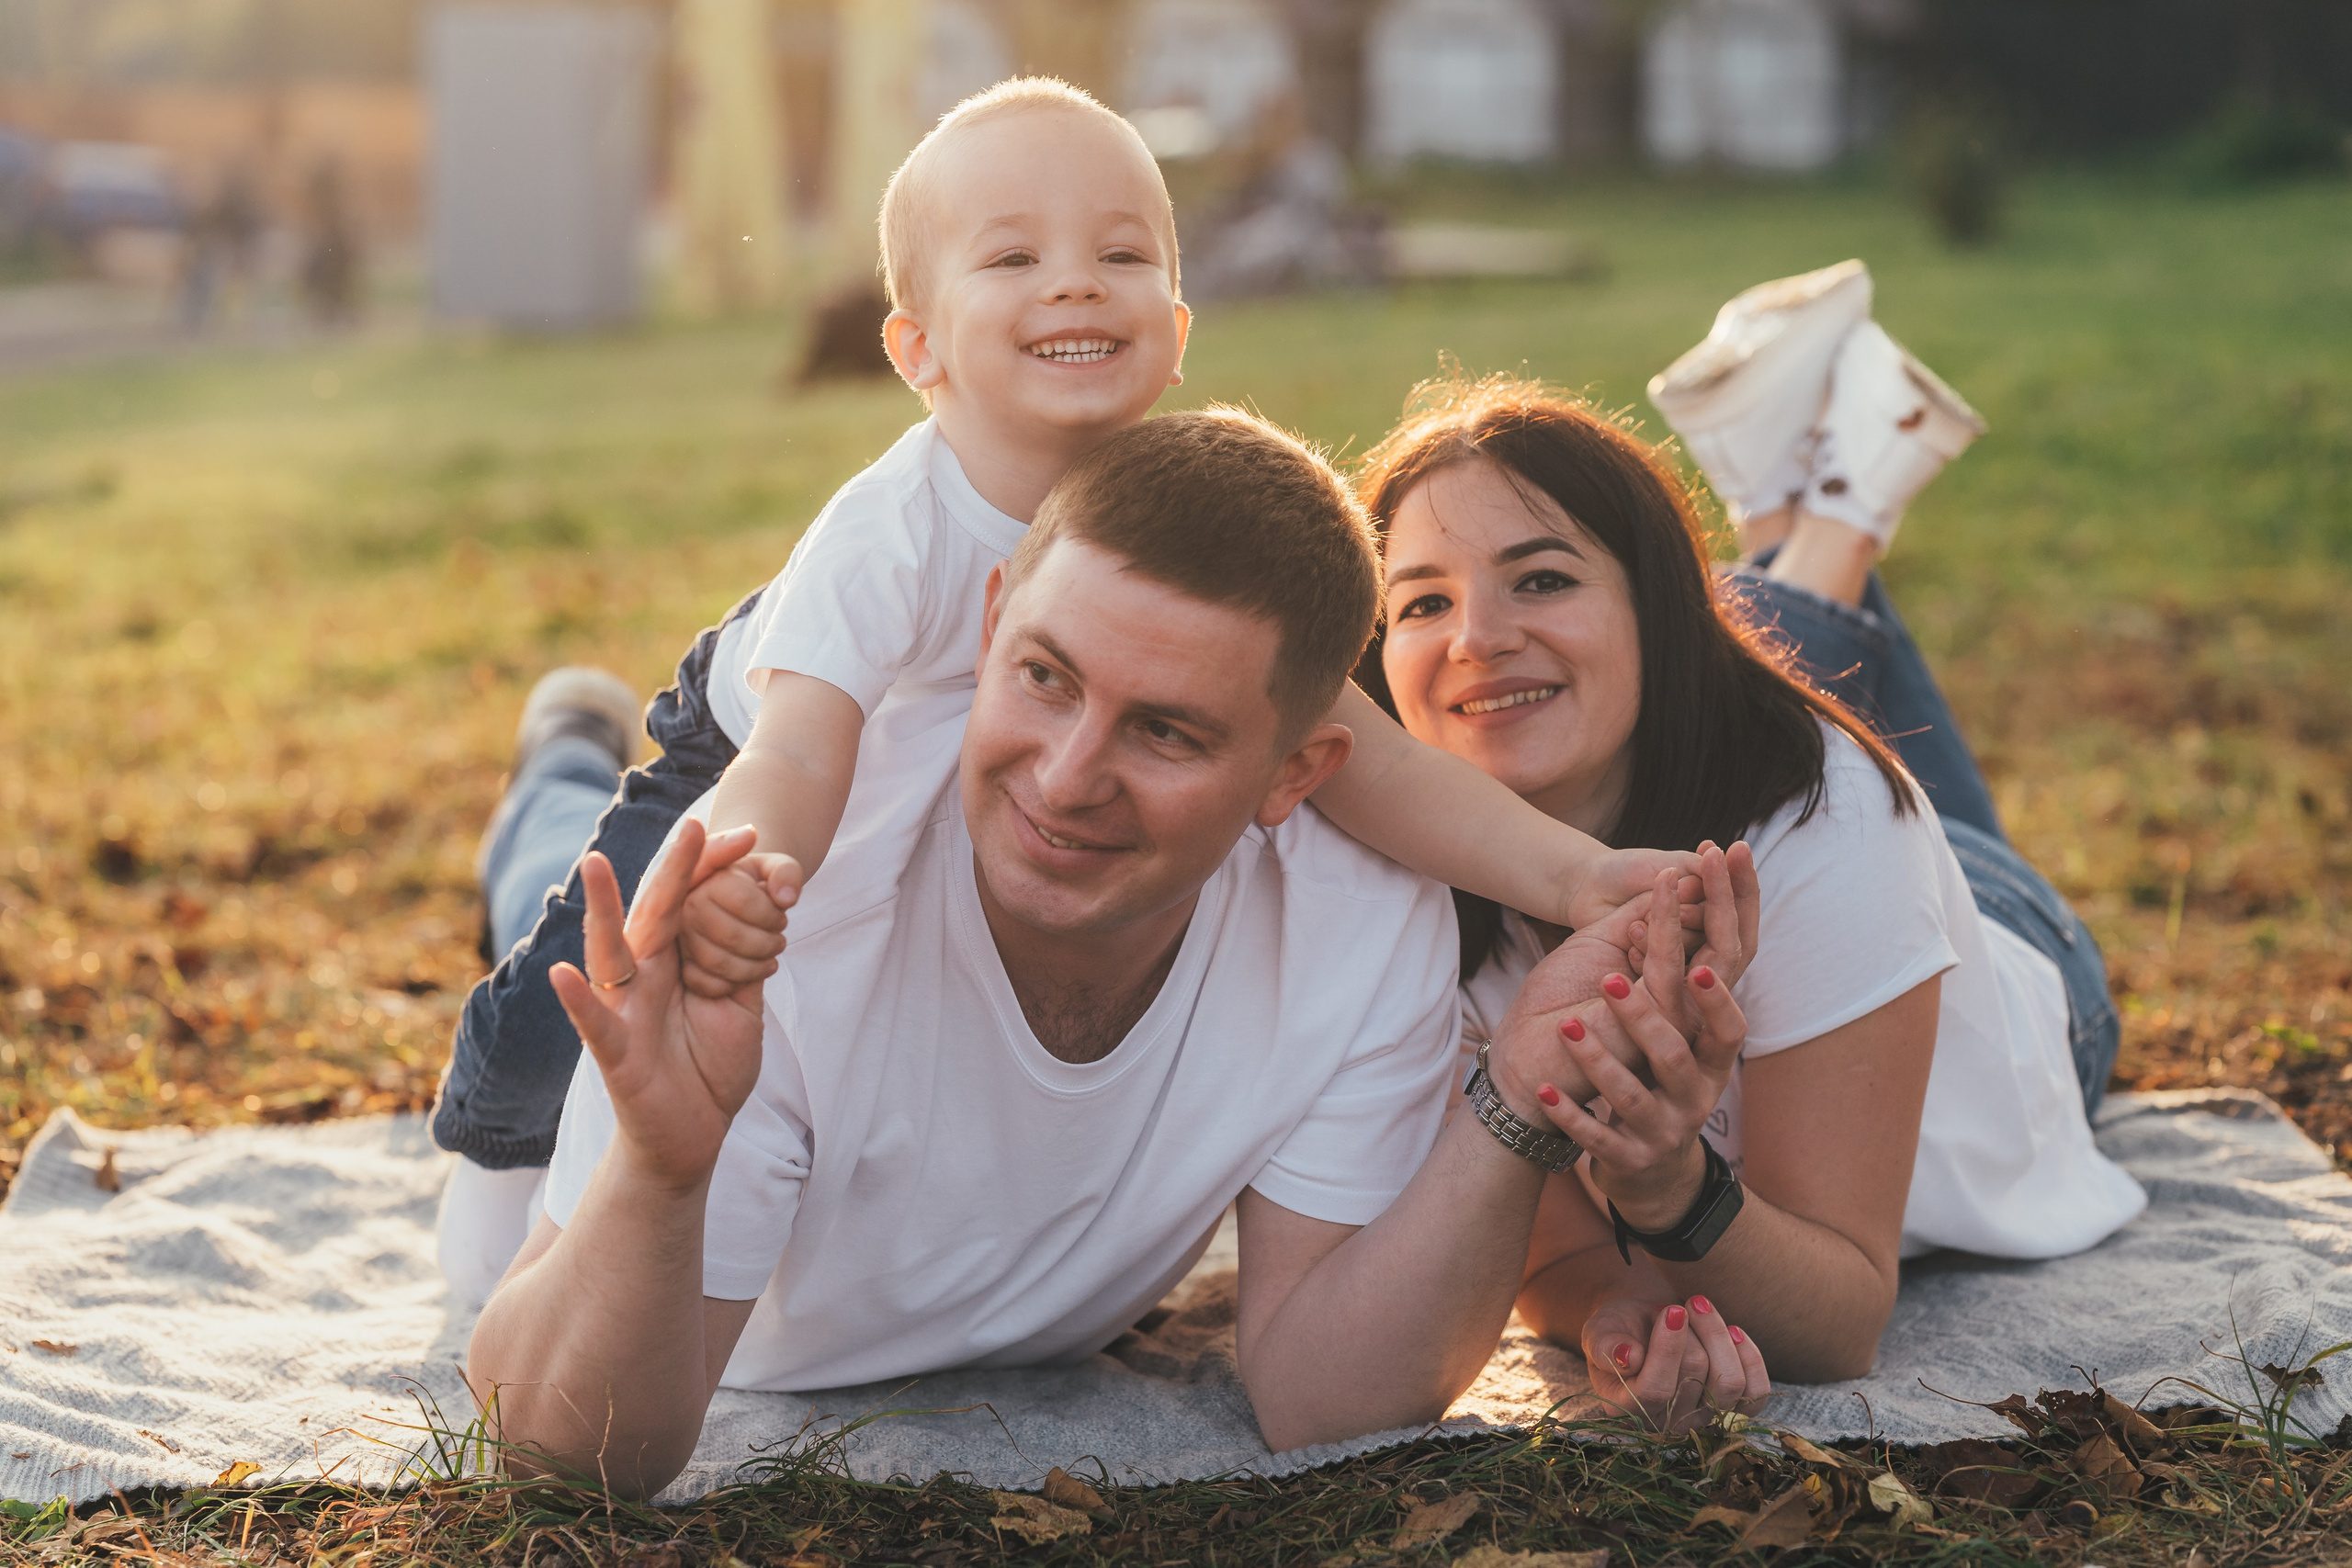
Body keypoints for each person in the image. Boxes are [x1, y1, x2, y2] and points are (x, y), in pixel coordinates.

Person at [432, 77, 1698, 1293]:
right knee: (587, 991)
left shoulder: (1190, 527)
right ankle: (556, 785)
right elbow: (801, 755)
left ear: (1179, 331)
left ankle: (561, 762)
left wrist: (1577, 878)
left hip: (966, 784)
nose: (1076, 281)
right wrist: (750, 880)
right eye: (1013, 259)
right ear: (917, 349)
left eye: (1123, 254)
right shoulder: (895, 533)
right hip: (750, 753)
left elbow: (1377, 761)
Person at [462, 409, 1763, 1496]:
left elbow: (1324, 1394)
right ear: (987, 625)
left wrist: (1516, 1107)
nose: (1068, 778)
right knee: (556, 871)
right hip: (671, 1297)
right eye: (1043, 677)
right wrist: (661, 1164)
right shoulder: (783, 909)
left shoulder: (1361, 915)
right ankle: (560, 763)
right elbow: (565, 1448)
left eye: (1168, 733)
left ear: (1299, 770)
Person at [1352, 268, 2144, 1414]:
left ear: (1662, 614)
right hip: (1806, 800)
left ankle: (1835, 512)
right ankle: (1794, 508)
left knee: (1833, 757)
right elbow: (1554, 1252)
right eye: (1419, 602)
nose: (1474, 636)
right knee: (1732, 696)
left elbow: (1842, 1313)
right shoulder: (1383, 877)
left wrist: (1676, 1191)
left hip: (2014, 961)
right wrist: (1610, 1311)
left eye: (1541, 577)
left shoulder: (1826, 819)